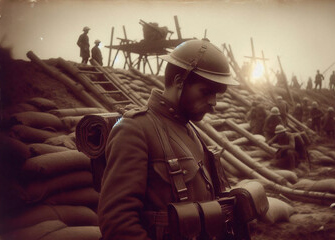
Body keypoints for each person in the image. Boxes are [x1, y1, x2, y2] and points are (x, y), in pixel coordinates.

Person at [98, 39, 241, 240]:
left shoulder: (189, 128)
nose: (213, 102)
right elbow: (118, 222)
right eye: (206, 92)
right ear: (179, 82)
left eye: (216, 94)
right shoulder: (135, 129)